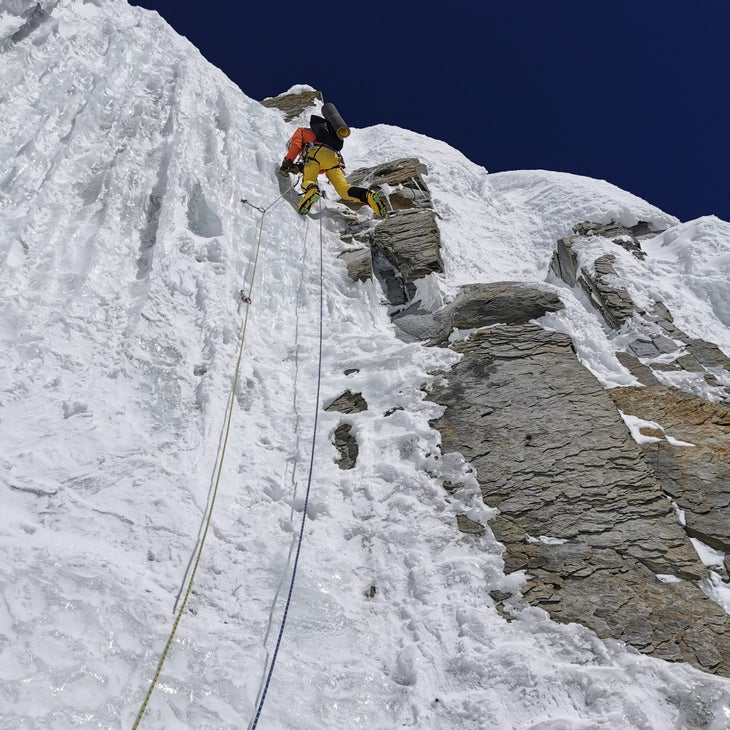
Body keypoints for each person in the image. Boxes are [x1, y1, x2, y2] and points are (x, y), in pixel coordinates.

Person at [279, 109, 387, 218]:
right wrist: (301, 168)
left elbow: (296, 146)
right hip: (334, 159)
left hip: (316, 154)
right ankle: (367, 195)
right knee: (343, 189)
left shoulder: (302, 131)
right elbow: (323, 168)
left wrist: (287, 162)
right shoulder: (330, 137)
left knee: (308, 181)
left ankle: (312, 191)